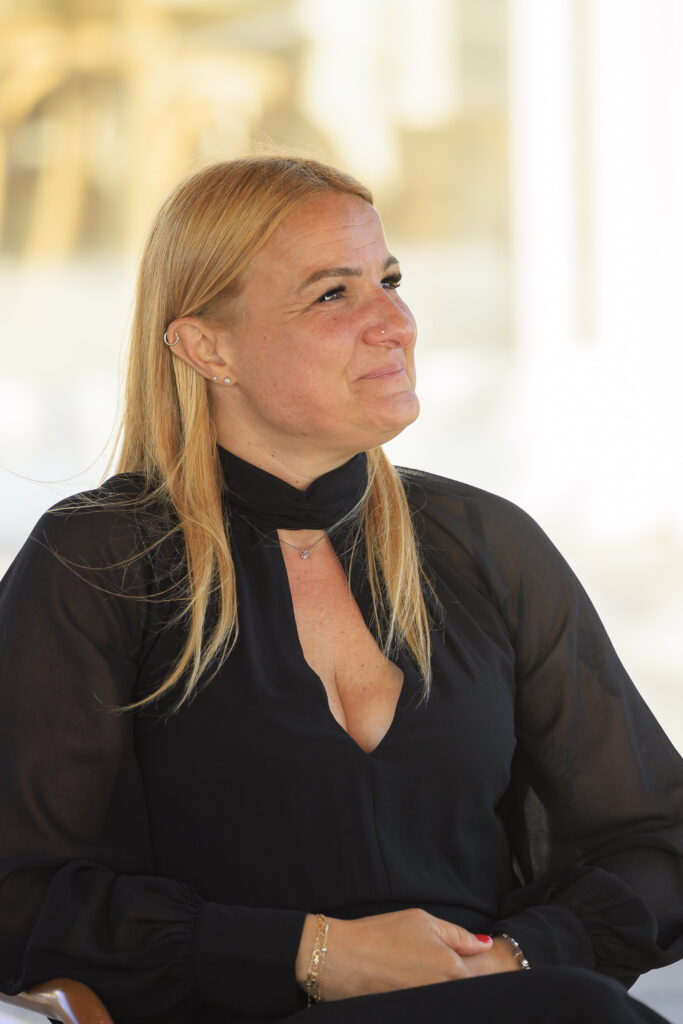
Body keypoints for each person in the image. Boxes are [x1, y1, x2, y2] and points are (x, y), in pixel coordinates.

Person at [0, 156, 681, 1024]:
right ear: (207, 347)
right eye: (333, 294)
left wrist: (511, 957)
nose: (395, 323)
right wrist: (314, 953)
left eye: (389, 281)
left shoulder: (484, 544)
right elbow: (21, 894)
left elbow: (656, 839)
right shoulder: (99, 559)